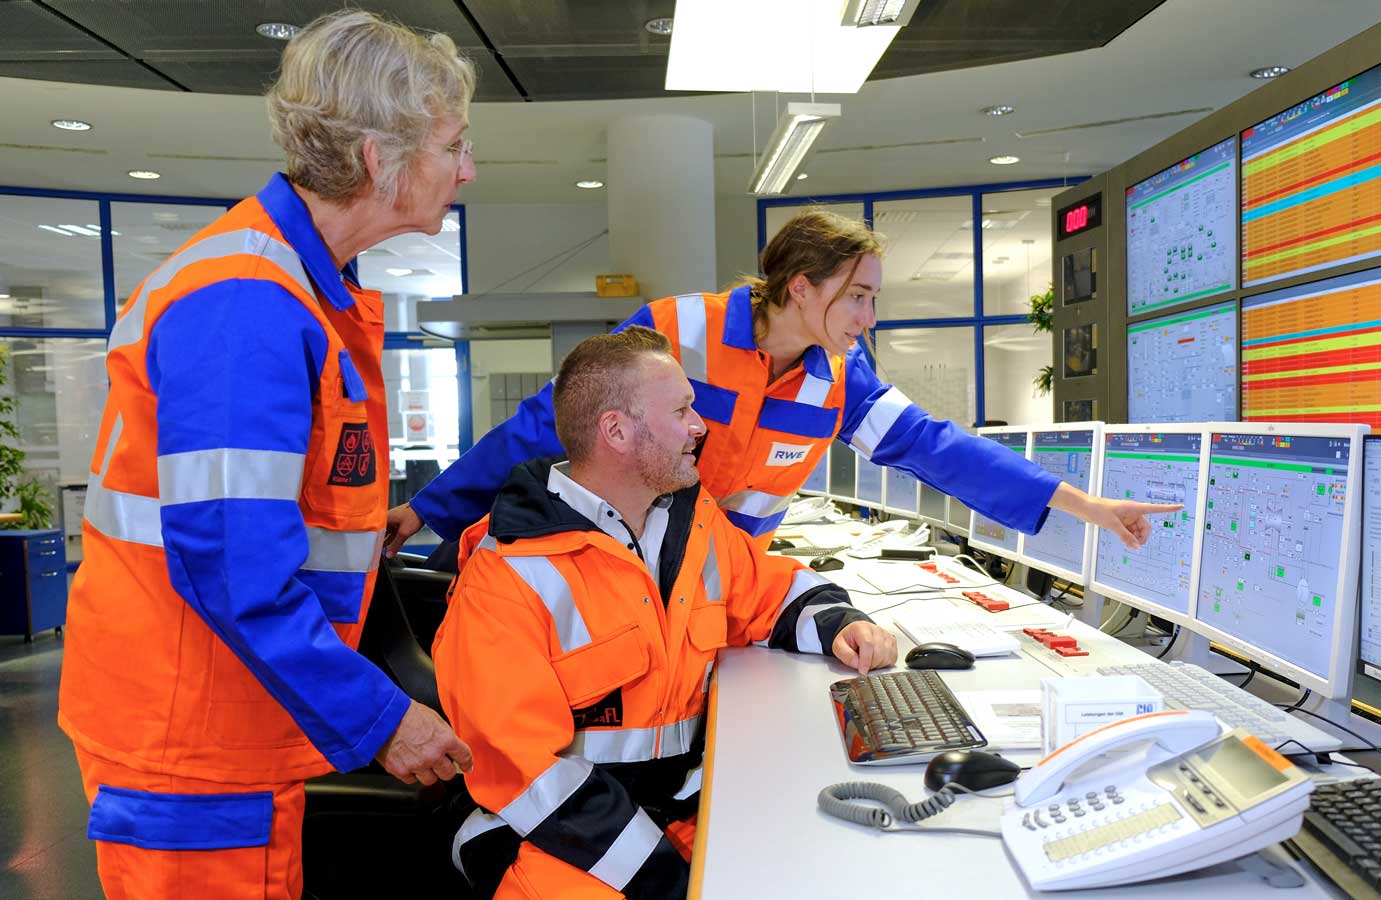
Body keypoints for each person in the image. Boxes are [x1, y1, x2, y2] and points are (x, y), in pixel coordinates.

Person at [57, 11, 478, 899]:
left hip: (234, 712)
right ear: (379, 159)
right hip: (191, 739)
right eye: (454, 145)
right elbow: (234, 567)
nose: (467, 171)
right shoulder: (249, 304)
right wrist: (381, 719)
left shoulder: (302, 285)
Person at [386, 211, 1181, 558]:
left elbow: (938, 450)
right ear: (801, 287)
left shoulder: (841, 379)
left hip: (724, 595)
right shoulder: (676, 330)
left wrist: (1085, 506)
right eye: (859, 295)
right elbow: (541, 429)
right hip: (625, 587)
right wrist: (426, 510)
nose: (870, 314)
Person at [433, 327, 899, 899]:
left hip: (667, 805)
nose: (700, 427)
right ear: (617, 431)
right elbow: (524, 771)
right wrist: (663, 877)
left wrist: (842, 624)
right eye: (681, 410)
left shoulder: (687, 521)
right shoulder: (507, 573)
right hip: (544, 830)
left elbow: (768, 591)